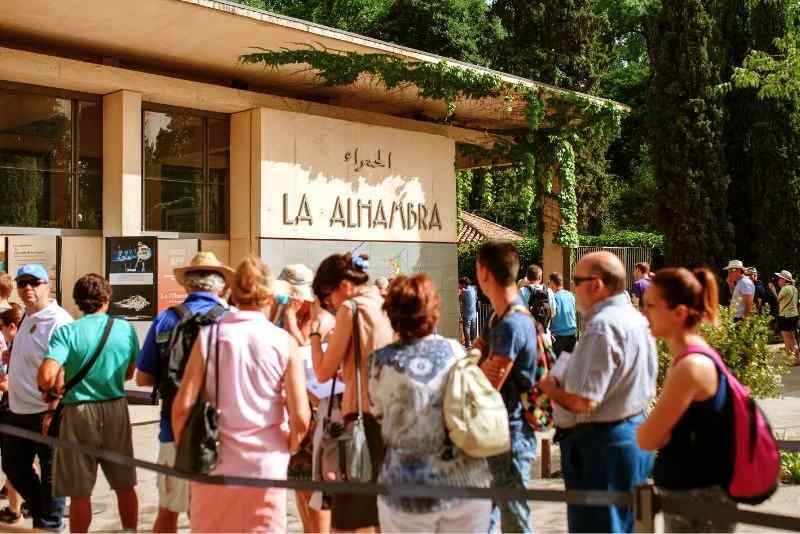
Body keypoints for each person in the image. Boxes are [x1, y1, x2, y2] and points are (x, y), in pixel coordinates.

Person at [172, 256, 310, 532]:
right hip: (265, 464)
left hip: (215, 460)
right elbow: (301, 418)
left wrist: (187, 449)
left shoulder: (209, 337)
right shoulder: (283, 342)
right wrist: (290, 447)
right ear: (270, 297)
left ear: (232, 294)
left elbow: (182, 407)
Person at [539, 251, 657, 533]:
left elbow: (584, 400)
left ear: (596, 284)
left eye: (576, 280)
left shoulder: (603, 327)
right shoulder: (634, 318)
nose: (572, 287)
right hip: (627, 434)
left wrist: (551, 388)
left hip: (601, 446)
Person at [368, 274, 492, 532]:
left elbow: (378, 413)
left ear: (391, 313)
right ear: (434, 309)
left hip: (408, 490)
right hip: (466, 483)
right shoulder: (456, 350)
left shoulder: (380, 361)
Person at [135, 251, 232, 533]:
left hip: (172, 429)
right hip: (220, 432)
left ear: (187, 286)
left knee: (168, 511)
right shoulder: (230, 320)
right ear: (221, 285)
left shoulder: (165, 320)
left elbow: (143, 377)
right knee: (214, 517)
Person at [36, 274, 139, 533]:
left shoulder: (67, 332)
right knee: (125, 484)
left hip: (78, 412)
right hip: (115, 408)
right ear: (106, 298)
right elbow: (129, 374)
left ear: (78, 302)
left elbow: (47, 376)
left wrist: (54, 385)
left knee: (79, 491)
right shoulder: (125, 329)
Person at [637, 267, 736, 532]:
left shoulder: (690, 367)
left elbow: (646, 438)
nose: (643, 312)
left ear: (678, 313)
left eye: (650, 305)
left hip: (697, 503)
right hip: (694, 497)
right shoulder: (691, 359)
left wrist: (660, 431)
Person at [308, 252, 393, 533]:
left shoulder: (350, 310)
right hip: (388, 419)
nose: (328, 303)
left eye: (326, 294)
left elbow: (322, 372)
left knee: (348, 519)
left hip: (359, 421)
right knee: (382, 514)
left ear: (344, 285)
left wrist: (315, 335)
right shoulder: (383, 304)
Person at [473, 241, 538, 534]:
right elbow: (473, 362)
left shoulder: (512, 323)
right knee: (487, 516)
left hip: (511, 435)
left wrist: (478, 367)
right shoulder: (497, 318)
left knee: (514, 522)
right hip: (496, 432)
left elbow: (488, 381)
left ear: (484, 273)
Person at [2, 264, 72, 531]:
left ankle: (50, 524)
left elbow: (64, 368)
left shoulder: (58, 321)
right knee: (13, 465)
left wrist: (53, 410)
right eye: (22, 283)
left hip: (46, 411)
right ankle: (44, 514)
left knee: (52, 474)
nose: (27, 288)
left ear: (47, 285)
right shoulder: (27, 317)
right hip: (18, 409)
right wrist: (15, 355)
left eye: (34, 282)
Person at [278, 264, 334, 534]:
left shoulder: (320, 316)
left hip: (315, 413)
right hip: (295, 412)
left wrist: (289, 319)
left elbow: (305, 354)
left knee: (315, 493)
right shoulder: (285, 313)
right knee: (299, 486)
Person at [0, 304, 24, 524]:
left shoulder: (16, 346)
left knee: (14, 462)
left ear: (12, 326)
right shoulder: (18, 345)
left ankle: (16, 510)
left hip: (16, 409)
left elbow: (6, 383)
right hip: (21, 408)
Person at [519, 264, 556, 329]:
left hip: (528, 333)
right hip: (544, 334)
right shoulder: (549, 291)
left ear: (527, 277)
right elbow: (553, 313)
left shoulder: (522, 291)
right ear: (540, 278)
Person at [549, 273, 577, 356]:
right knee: (568, 364)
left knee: (557, 366)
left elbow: (551, 315)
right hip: (572, 334)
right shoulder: (570, 295)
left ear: (552, 283)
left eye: (549, 282)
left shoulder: (553, 297)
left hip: (558, 335)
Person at [775, 270, 799, 364]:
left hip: (785, 316)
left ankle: (790, 359)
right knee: (793, 338)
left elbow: (777, 299)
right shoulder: (794, 288)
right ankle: (797, 358)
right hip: (794, 315)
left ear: (784, 280)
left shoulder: (784, 289)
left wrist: (773, 289)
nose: (778, 281)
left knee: (787, 338)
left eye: (780, 278)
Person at [459, 276, 478, 348]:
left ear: (463, 284)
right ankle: (473, 344)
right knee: (473, 329)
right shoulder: (473, 289)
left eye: (460, 284)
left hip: (467, 314)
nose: (459, 286)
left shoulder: (464, 292)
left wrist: (460, 293)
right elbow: (476, 298)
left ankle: (467, 344)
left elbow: (460, 299)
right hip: (474, 314)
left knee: (466, 329)